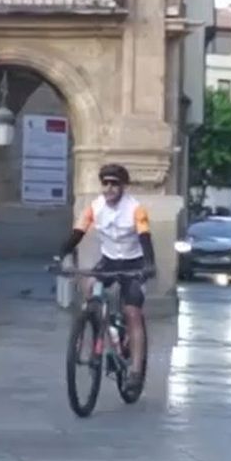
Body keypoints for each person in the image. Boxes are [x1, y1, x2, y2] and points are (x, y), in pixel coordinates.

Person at [56, 162, 156, 380]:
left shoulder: (135, 209)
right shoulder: (95, 207)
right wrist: (59, 255)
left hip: (134, 263)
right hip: (110, 261)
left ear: (123, 187)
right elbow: (77, 234)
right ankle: (93, 328)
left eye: (115, 184)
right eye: (105, 183)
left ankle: (136, 369)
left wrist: (149, 265)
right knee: (90, 286)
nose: (109, 188)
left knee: (132, 313)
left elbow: (145, 238)